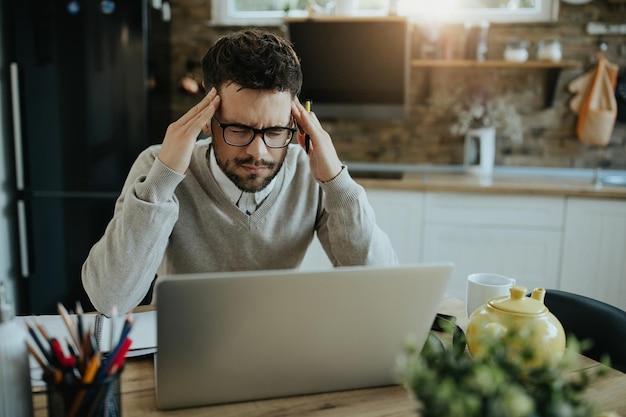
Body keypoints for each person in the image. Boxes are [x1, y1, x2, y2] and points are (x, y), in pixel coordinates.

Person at [82, 28, 398, 315]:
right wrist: (163, 180)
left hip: (276, 350)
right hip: (181, 349)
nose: (257, 152)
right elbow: (110, 299)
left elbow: (379, 288)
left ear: (295, 122)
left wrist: (337, 183)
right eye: (239, 129)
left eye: (275, 131)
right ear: (208, 117)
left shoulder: (310, 173)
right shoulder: (158, 169)